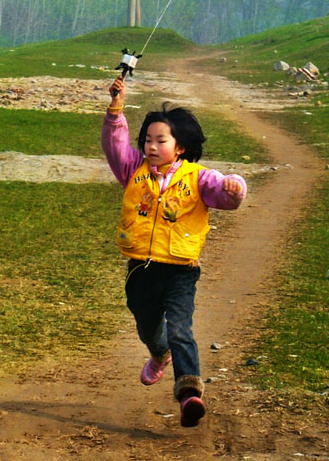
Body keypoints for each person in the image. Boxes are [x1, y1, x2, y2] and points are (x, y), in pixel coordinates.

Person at [101, 76, 246, 428]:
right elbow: (114, 145)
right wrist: (116, 109)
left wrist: (235, 186)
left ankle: (189, 394)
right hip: (141, 268)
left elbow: (226, 195)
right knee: (148, 326)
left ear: (179, 146)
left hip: (180, 270)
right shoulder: (133, 170)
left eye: (160, 140)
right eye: (147, 140)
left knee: (181, 329)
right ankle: (158, 353)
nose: (151, 146)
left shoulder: (199, 178)